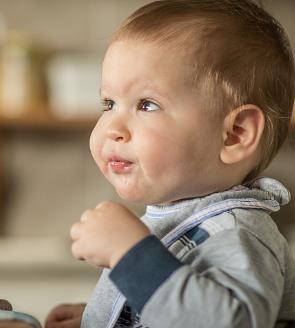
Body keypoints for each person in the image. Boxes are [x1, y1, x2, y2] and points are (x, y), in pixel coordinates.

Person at [45, 0, 295, 327]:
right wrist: (109, 314)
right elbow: (179, 306)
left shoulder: (236, 233)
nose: (113, 129)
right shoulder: (183, 217)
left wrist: (131, 255)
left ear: (235, 134)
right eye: (108, 103)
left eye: (147, 105)